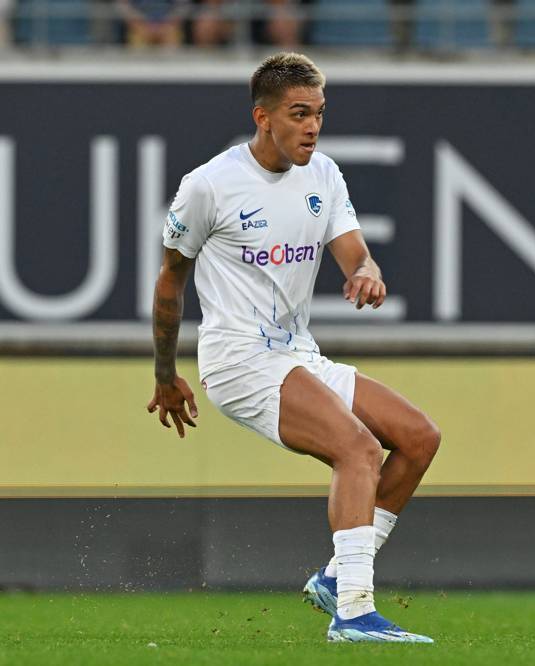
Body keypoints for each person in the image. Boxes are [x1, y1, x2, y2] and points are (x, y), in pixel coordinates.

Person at [147, 53, 438, 644]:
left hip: (296, 353)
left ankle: (336, 578)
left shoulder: (324, 174)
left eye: (319, 114)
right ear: (263, 117)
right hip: (237, 359)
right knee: (357, 448)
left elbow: (355, 250)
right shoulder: (208, 186)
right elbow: (169, 282)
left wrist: (366, 271)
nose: (312, 127)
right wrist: (164, 373)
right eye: (299, 114)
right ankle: (354, 613)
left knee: (418, 437)